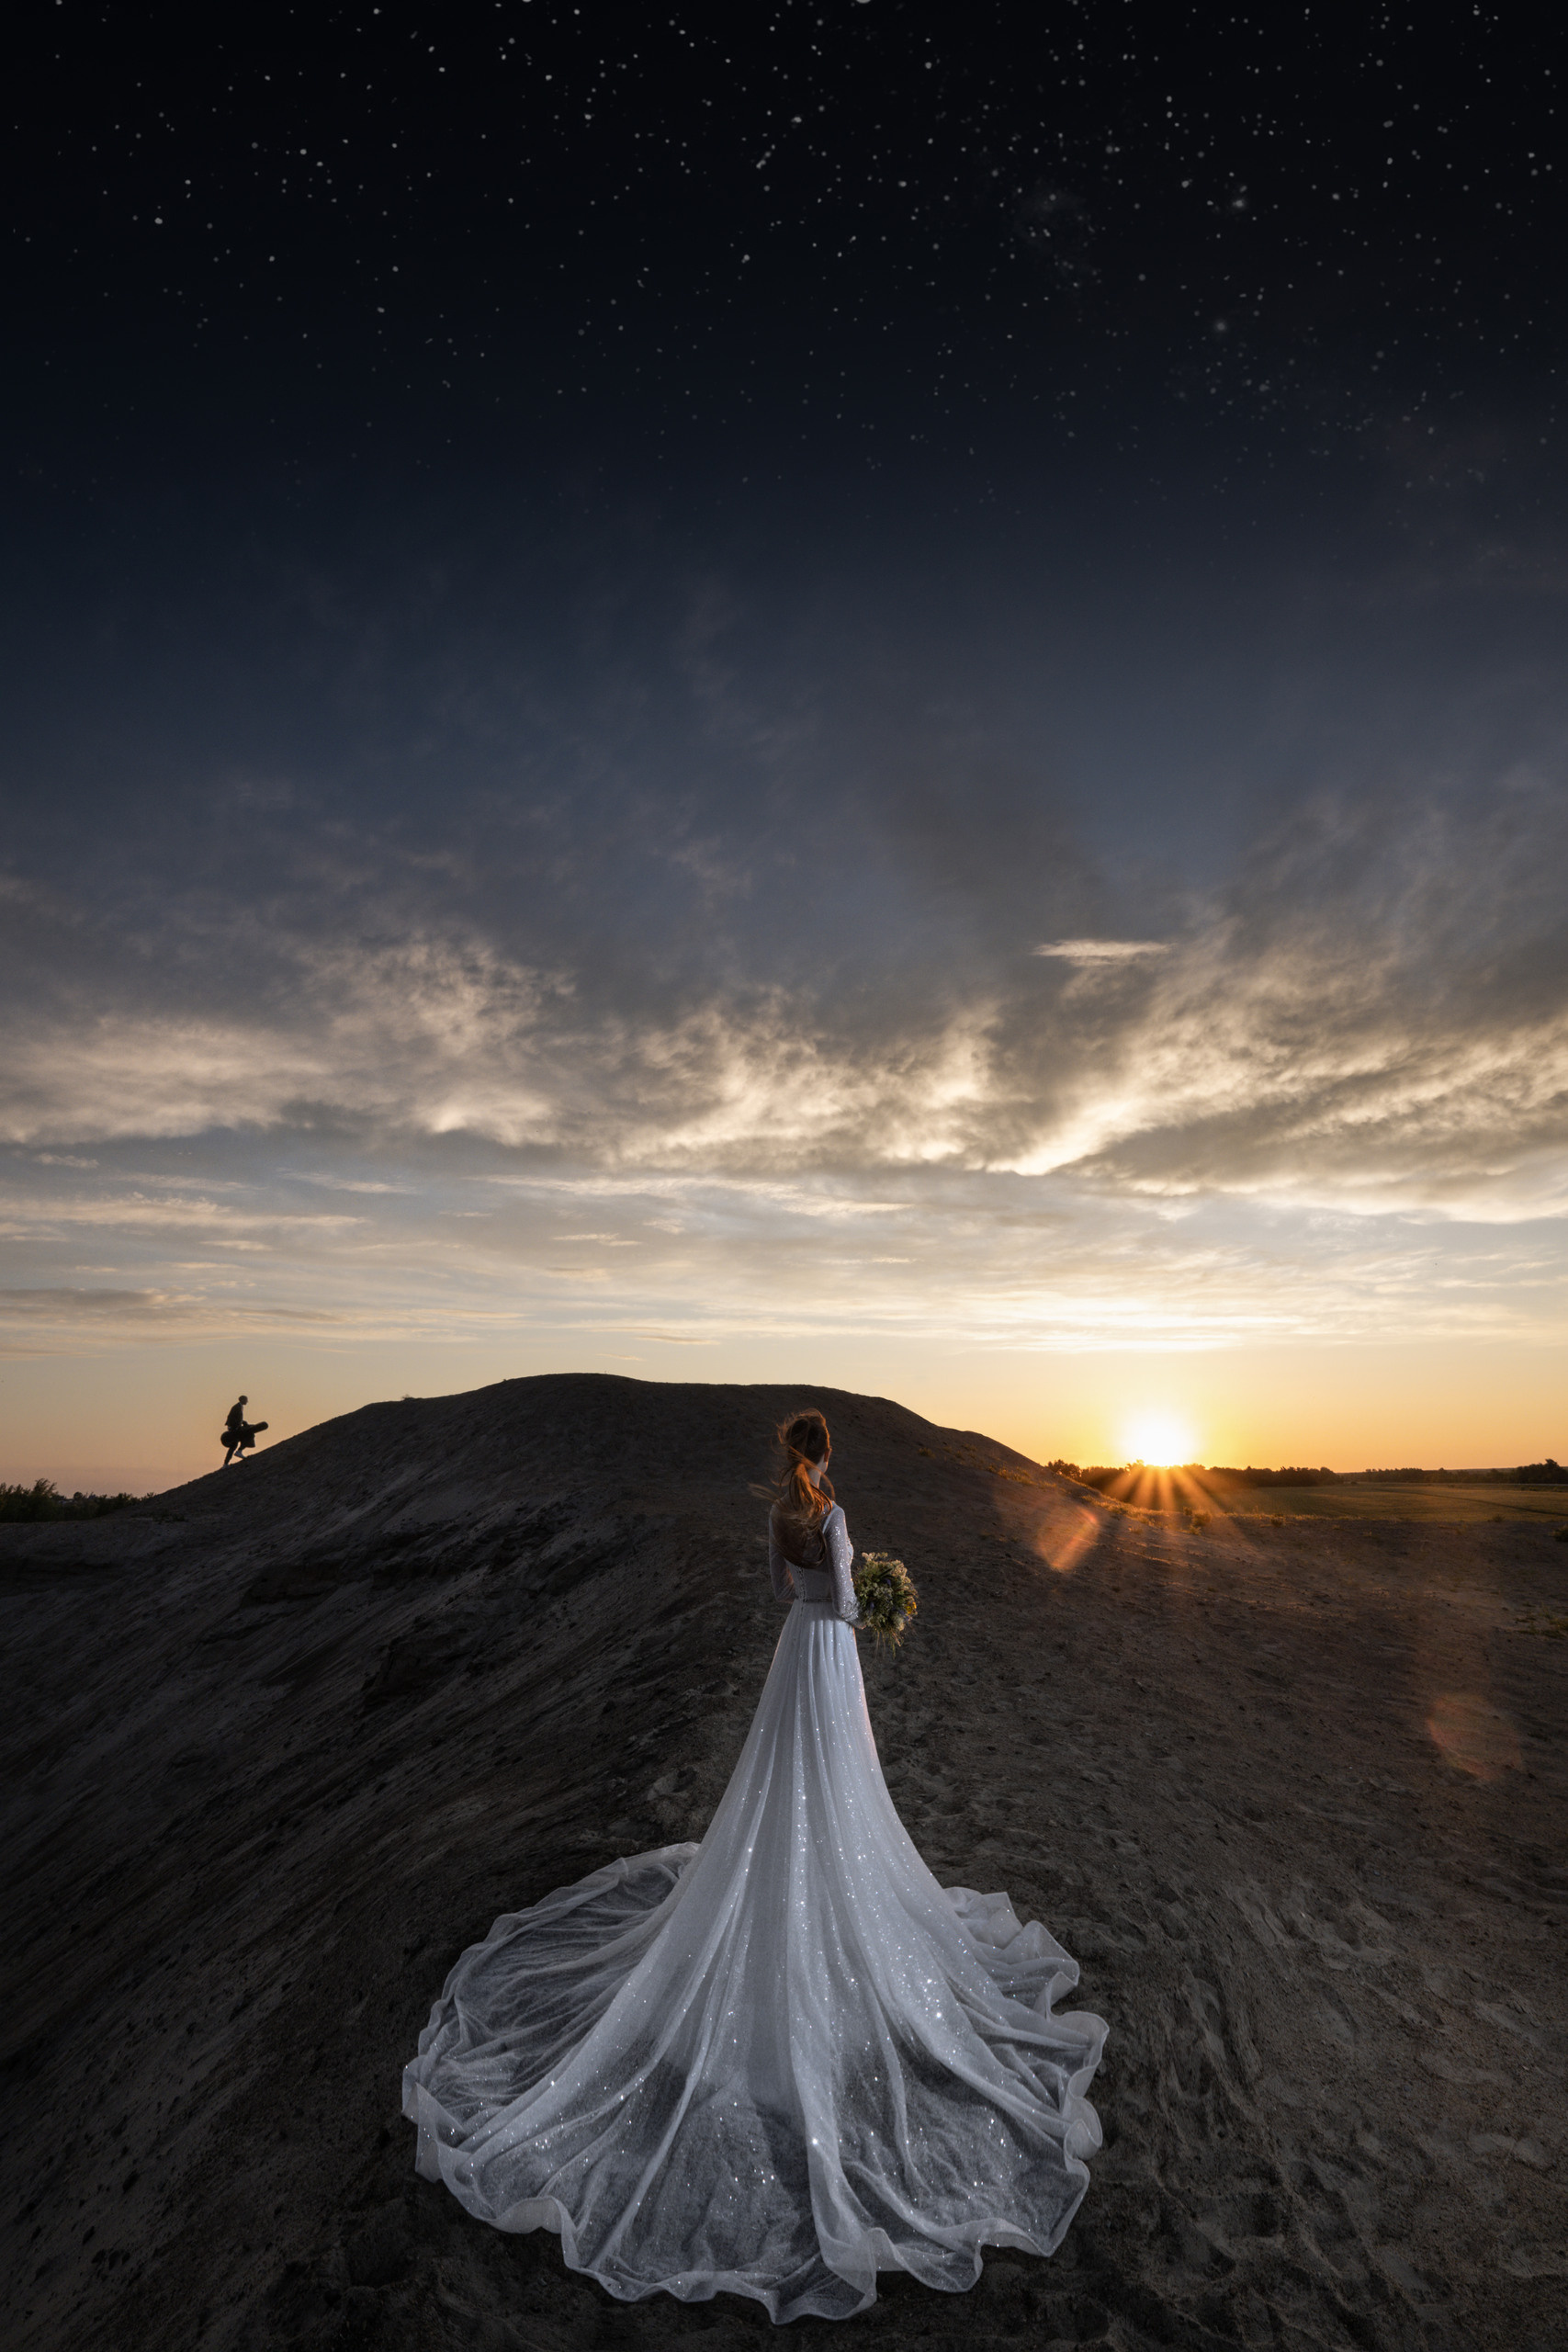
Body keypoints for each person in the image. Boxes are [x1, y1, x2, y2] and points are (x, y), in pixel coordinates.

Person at [402, 1408, 1106, 2324]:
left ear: (787, 1454)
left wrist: (830, 1592)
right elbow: (846, 1603)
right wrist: (875, 1594)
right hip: (830, 1658)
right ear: (826, 1452)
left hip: (792, 1658)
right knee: (839, 1785)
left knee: (784, 1787)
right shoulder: (837, 1515)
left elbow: (784, 1590)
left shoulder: (778, 1515)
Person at [220, 1396, 266, 1464]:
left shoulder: (240, 1407)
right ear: (242, 1400)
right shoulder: (236, 1407)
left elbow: (238, 1418)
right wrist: (232, 1427)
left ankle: (226, 1463)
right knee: (248, 1435)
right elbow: (230, 1417)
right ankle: (239, 1452)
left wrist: (243, 1422)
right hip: (234, 1427)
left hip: (236, 1426)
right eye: (246, 1400)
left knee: (234, 1445)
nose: (247, 1401)